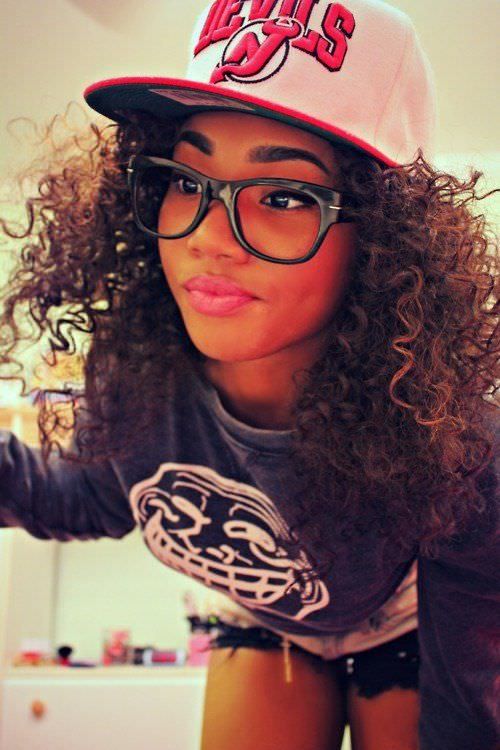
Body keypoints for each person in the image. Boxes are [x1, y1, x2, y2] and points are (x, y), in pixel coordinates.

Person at [0, 1, 498, 748]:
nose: (207, 237)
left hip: (415, 623)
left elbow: (469, 699)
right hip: (267, 624)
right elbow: (94, 496)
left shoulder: (454, 445)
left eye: (284, 196)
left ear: (386, 241)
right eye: (186, 180)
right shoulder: (137, 373)